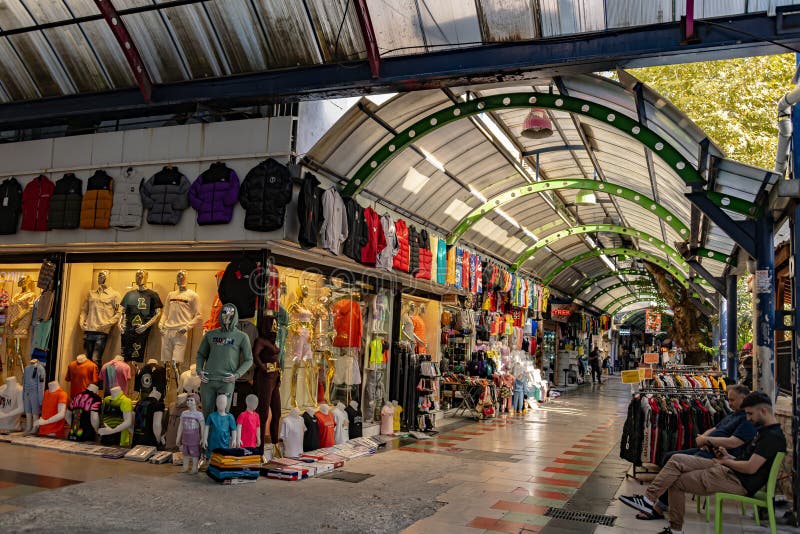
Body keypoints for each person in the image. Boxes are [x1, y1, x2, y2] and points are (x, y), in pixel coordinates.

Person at [620, 392, 787, 534]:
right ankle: (648, 500)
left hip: (737, 481)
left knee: (676, 481)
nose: (748, 418)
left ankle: (675, 528)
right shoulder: (765, 432)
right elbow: (748, 461)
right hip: (729, 469)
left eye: (750, 414)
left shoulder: (771, 437)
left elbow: (751, 468)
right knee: (676, 459)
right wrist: (728, 457)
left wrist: (725, 462)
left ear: (764, 410)